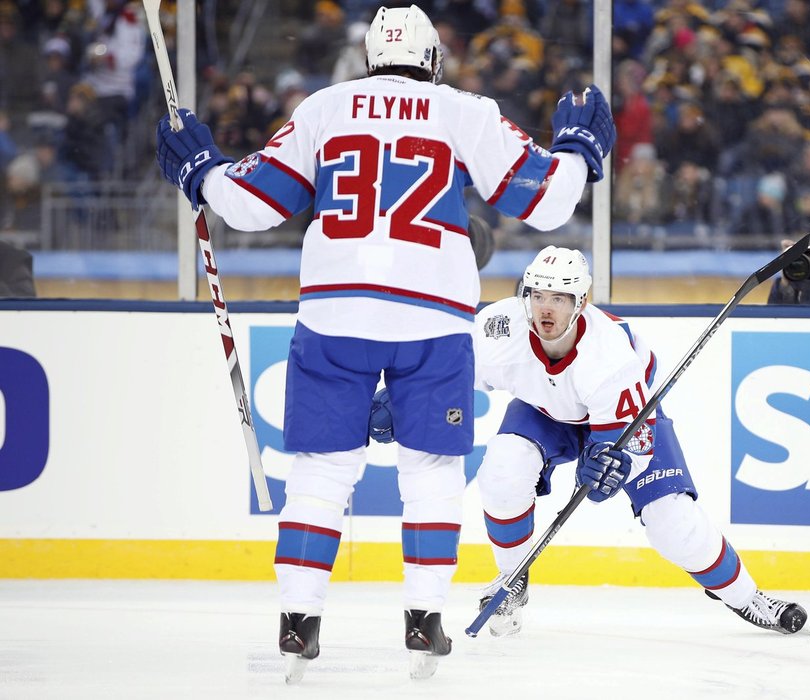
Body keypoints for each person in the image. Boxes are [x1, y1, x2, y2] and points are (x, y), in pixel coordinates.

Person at [153, 4, 615, 684]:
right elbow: (546, 203)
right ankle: (424, 618)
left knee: (319, 470)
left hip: (334, 313)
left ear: (369, 59)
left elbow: (251, 206)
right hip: (432, 320)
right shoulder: (462, 110)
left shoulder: (325, 108)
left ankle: (298, 620)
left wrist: (202, 170)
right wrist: (578, 154)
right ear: (431, 61)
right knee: (430, 470)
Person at [372, 246, 810, 638]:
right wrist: (407, 397)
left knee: (673, 523)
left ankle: (747, 596)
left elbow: (630, 452)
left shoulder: (610, 359)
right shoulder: (500, 328)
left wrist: (609, 469)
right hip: (546, 412)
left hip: (622, 421)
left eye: (559, 298)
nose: (545, 308)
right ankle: (512, 581)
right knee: (502, 470)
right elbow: (450, 369)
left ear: (580, 302)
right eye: (538, 295)